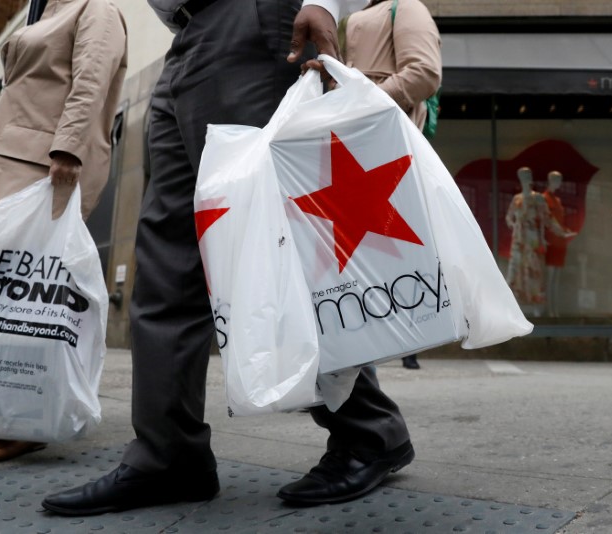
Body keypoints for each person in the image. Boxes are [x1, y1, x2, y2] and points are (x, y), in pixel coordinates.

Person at [41, 0, 415, 516]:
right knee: (167, 254)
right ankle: (169, 455)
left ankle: (369, 430)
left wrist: (322, 2)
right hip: (189, 35)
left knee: (277, 243)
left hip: (255, 22)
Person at [0, 0, 127, 466]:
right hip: (10, 160)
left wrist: (68, 149)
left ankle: (20, 418)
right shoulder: (51, 10)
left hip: (41, 166)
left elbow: (91, 80)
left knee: (25, 296)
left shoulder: (96, 8)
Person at [340, 0, 441, 371]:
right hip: (342, 143)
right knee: (344, 264)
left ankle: (353, 374)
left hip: (377, 145)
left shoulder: (405, 7)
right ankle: (341, 370)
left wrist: (360, 103)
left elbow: (425, 72)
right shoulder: (346, 10)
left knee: (365, 260)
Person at [505, 167, 571, 316]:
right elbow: (509, 216)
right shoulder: (517, 199)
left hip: (533, 241)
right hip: (519, 240)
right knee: (515, 273)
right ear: (519, 178)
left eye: (528, 175)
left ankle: (536, 308)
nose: (526, 178)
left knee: (535, 273)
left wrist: (561, 231)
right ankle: (513, 309)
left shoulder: (538, 198)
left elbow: (548, 219)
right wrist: (512, 223)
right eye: (523, 176)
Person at [542, 170, 576, 318]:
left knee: (556, 278)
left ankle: (554, 310)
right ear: (550, 180)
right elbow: (548, 219)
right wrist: (560, 231)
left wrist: (564, 231)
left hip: (560, 241)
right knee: (550, 278)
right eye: (557, 179)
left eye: (560, 179)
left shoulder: (558, 200)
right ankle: (549, 309)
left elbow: (559, 221)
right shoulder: (544, 198)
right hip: (551, 240)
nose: (559, 183)